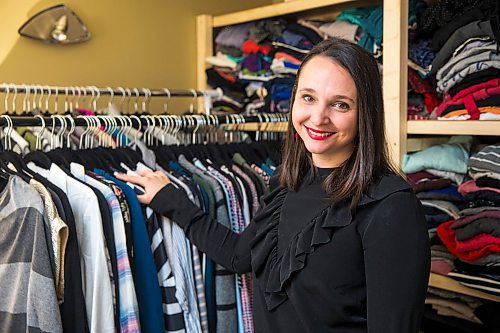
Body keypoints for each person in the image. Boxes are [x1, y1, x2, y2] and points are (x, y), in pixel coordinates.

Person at [116, 37, 431, 332]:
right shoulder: (286, 183)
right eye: (308, 97)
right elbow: (240, 256)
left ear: (366, 113)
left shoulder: (390, 206)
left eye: (340, 105)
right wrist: (171, 198)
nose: (318, 117)